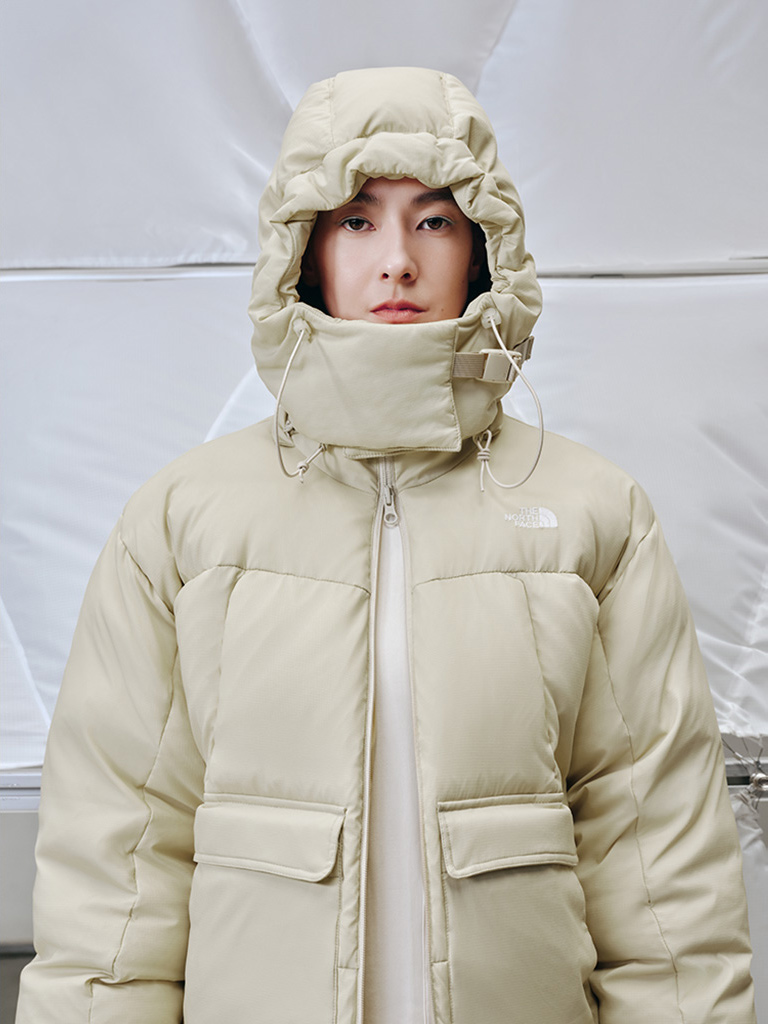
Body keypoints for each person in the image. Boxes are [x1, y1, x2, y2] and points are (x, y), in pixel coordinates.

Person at [16, 67, 755, 1024]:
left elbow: (661, 868)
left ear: (483, 249)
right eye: (357, 221)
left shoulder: (593, 514)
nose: (397, 260)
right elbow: (114, 876)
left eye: (434, 220)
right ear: (305, 251)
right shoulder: (183, 522)